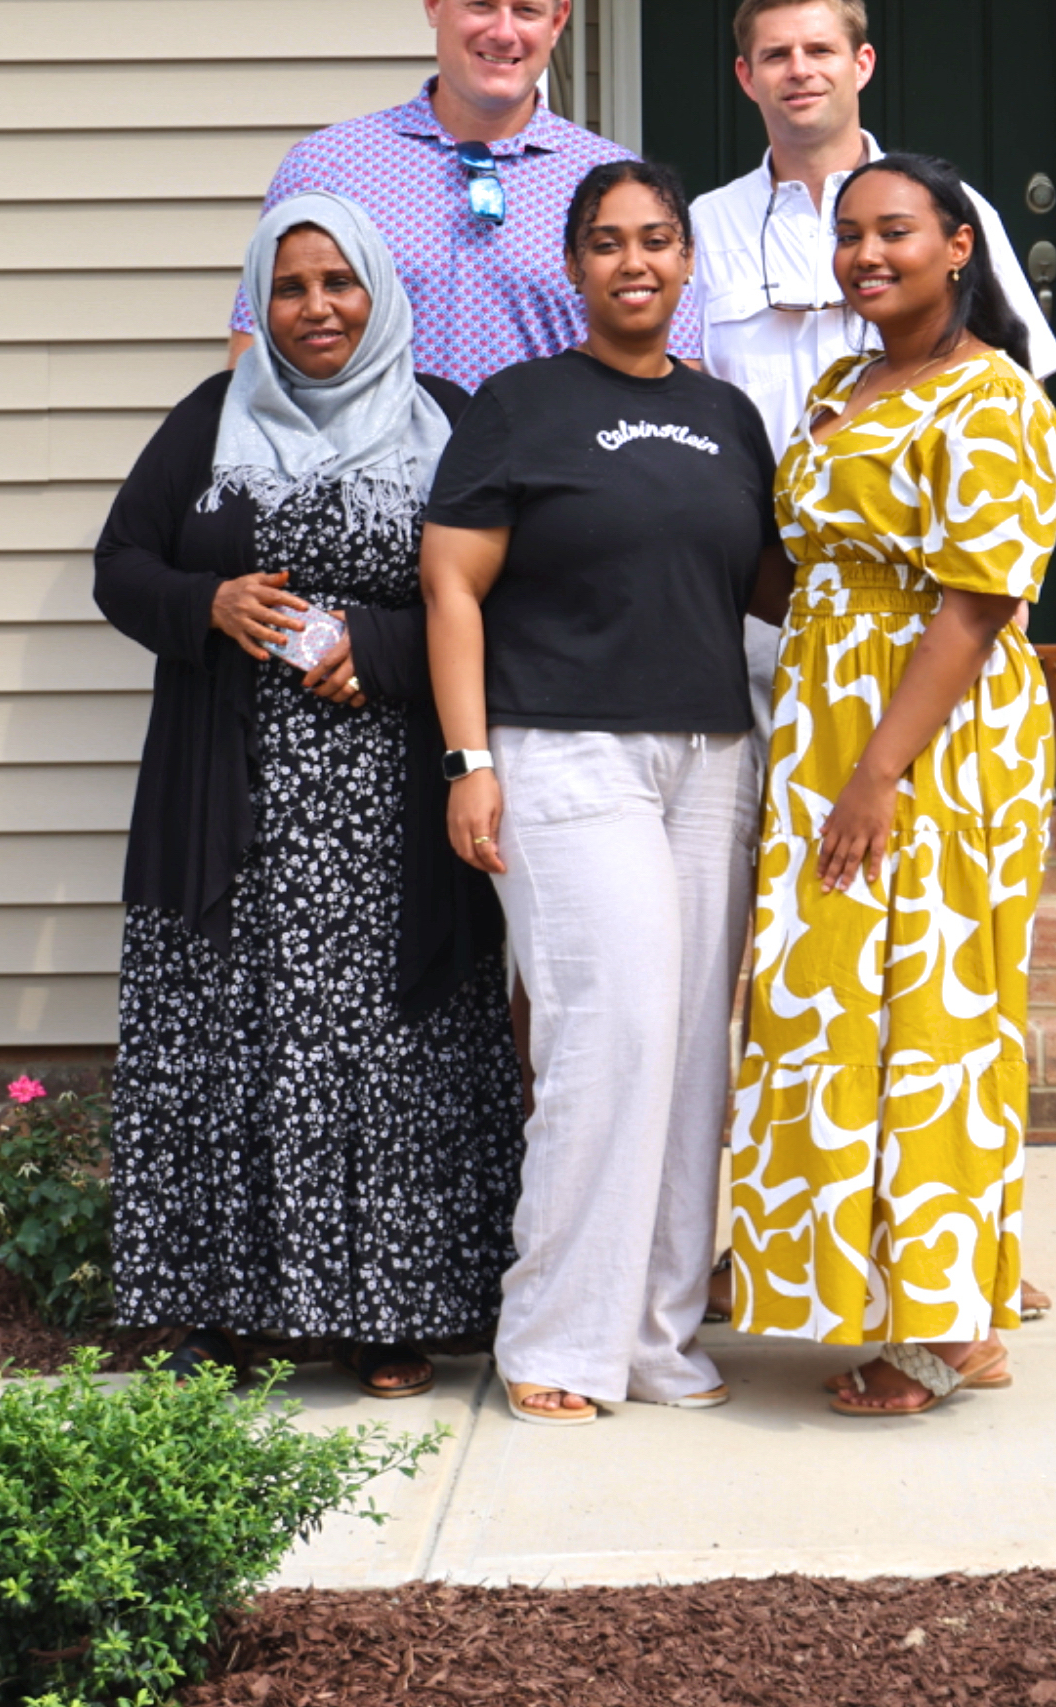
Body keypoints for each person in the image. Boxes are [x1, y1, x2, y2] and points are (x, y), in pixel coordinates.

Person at [94, 193, 520, 1398]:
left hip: (393, 809)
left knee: (393, 1049)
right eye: (290, 288)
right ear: (261, 304)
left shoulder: (448, 422)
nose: (317, 308)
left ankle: (394, 1317)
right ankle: (220, 1314)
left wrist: (374, 655)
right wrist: (209, 605)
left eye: (339, 283)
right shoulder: (210, 420)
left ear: (380, 291)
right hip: (226, 810)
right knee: (230, 1046)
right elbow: (121, 566)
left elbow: (495, 595)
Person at [420, 160, 781, 1428]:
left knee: (688, 1047)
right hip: (564, 750)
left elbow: (769, 589)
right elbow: (450, 588)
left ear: (688, 264)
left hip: (710, 757)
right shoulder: (516, 407)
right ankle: (557, 1341)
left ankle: (651, 1337)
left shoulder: (731, 418)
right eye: (609, 243)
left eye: (658, 241)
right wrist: (469, 761)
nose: (635, 262)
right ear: (574, 268)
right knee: (606, 1031)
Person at [721, 149, 1056, 1418]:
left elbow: (976, 610)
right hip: (825, 719)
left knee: (935, 1020)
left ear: (958, 248)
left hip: (932, 740)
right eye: (850, 235)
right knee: (829, 1014)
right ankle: (853, 1285)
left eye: (896, 233)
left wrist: (877, 774)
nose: (868, 255)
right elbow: (798, 567)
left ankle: (950, 1329)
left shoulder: (997, 403)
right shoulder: (843, 383)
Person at [236, 0, 700, 390]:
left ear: (558, 20)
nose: (503, 33)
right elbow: (255, 365)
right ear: (435, 1)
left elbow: (671, 373)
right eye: (480, 5)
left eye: (526, 10)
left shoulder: (617, 184)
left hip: (555, 464)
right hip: (374, 465)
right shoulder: (326, 169)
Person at [685, 0, 1056, 464]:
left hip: (912, 528)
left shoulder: (948, 206)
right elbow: (680, 392)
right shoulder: (704, 225)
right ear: (746, 77)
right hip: (754, 528)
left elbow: (1020, 379)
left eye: (820, 50)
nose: (800, 69)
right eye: (776, 55)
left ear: (861, 64)